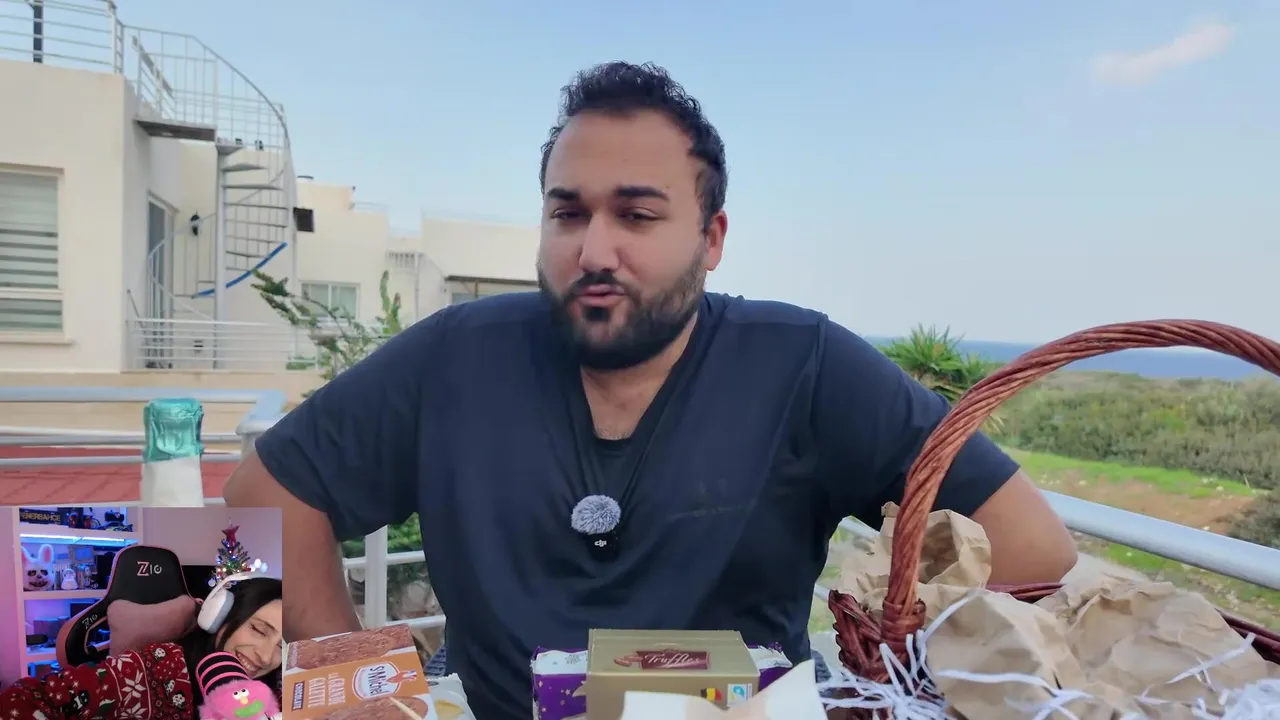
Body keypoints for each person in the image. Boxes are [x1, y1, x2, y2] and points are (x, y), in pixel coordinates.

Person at [223, 61, 1077, 719]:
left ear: (712, 238)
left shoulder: (806, 365)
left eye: (636, 215)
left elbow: (1033, 549)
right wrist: (363, 690)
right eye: (568, 213)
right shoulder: (456, 357)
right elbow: (264, 492)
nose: (594, 250)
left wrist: (897, 679)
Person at [1, 577, 283, 719]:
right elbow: (24, 699)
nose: (266, 656)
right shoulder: (154, 669)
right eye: (259, 630)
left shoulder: (280, 693)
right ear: (220, 616)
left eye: (282, 646)